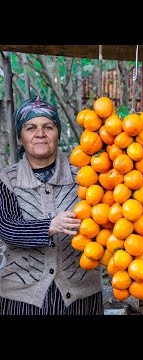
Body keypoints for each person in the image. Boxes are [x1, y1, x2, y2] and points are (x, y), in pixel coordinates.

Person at [0, 96, 103, 315]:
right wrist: (50, 226)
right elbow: (7, 228)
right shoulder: (7, 179)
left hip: (81, 295)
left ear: (57, 133)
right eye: (30, 128)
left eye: (48, 126)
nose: (40, 134)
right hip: (23, 297)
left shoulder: (86, 173)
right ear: (20, 136)